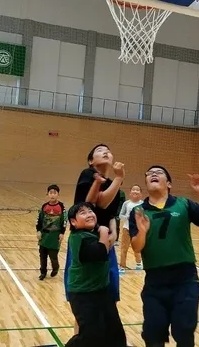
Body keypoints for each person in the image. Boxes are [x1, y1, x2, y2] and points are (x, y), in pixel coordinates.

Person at [129, 166, 199, 347]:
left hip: (185, 279)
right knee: (153, 333)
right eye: (149, 173)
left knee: (184, 331)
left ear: (169, 183)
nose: (153, 174)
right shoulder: (138, 212)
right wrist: (141, 231)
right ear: (146, 183)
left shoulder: (184, 204)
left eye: (159, 172)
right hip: (155, 282)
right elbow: (136, 247)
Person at [64, 144, 124, 334]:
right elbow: (99, 201)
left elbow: (111, 213)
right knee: (84, 296)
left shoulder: (113, 185)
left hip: (106, 240)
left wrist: (114, 234)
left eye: (108, 150)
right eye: (100, 150)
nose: (106, 151)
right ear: (91, 160)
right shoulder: (87, 174)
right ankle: (79, 338)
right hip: (86, 240)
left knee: (109, 292)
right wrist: (120, 178)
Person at [65, 202, 127, 347]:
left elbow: (109, 241)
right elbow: (99, 253)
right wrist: (104, 231)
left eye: (90, 211)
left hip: (102, 291)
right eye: (83, 212)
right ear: (73, 222)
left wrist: (109, 227)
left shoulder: (93, 232)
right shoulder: (78, 237)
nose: (89, 214)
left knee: (115, 333)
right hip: (83, 295)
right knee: (90, 336)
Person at [36, 184, 66, 280]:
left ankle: (55, 268)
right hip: (44, 235)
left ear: (58, 194)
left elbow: (64, 220)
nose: (52, 195)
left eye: (55, 193)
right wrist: (38, 231)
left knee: (53, 255)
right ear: (47, 194)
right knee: (42, 255)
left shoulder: (61, 207)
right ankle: (43, 272)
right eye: (50, 193)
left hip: (55, 235)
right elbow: (39, 219)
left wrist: (62, 232)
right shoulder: (44, 206)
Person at [118, 184, 144, 274]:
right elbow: (121, 215)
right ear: (130, 193)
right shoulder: (126, 203)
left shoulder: (143, 204)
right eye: (133, 189)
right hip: (127, 228)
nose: (135, 191)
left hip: (138, 230)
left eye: (137, 190)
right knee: (124, 248)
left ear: (141, 194)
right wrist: (128, 217)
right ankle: (122, 266)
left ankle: (139, 263)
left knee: (137, 248)